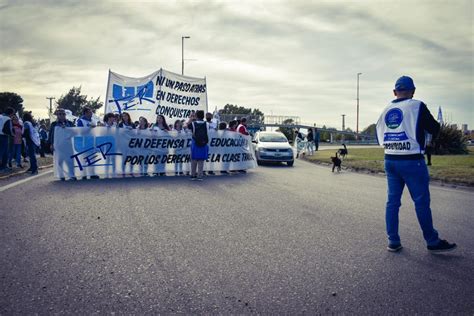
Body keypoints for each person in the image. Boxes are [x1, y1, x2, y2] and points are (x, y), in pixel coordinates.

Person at [376, 75, 456, 253]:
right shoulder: (416, 105)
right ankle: (432, 241)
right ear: (413, 91)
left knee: (392, 202)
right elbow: (435, 128)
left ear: (395, 92)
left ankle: (393, 241)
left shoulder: (386, 109)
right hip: (412, 160)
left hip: (390, 159)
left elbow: (379, 134)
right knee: (421, 202)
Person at [49, 108, 76, 180]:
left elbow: (74, 131)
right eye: (60, 114)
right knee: (60, 161)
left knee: (70, 161)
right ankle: (61, 175)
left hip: (68, 145)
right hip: (59, 146)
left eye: (63, 114)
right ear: (57, 115)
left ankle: (72, 175)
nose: (62, 115)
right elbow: (51, 134)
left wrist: (66, 128)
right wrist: (51, 144)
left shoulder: (69, 123)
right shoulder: (54, 124)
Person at [189, 110, 209, 181]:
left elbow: (186, 126)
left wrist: (191, 118)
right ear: (203, 116)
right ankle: (200, 175)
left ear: (196, 116)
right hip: (203, 143)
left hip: (195, 142)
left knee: (193, 160)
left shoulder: (193, 124)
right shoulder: (207, 124)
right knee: (201, 160)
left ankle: (193, 175)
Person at [0, 107, 15, 172]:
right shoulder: (8, 119)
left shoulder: (0, 116)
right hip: (4, 136)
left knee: (2, 152)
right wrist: (13, 134)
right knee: (4, 152)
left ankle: (3, 166)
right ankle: (3, 167)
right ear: (11, 113)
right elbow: (9, 129)